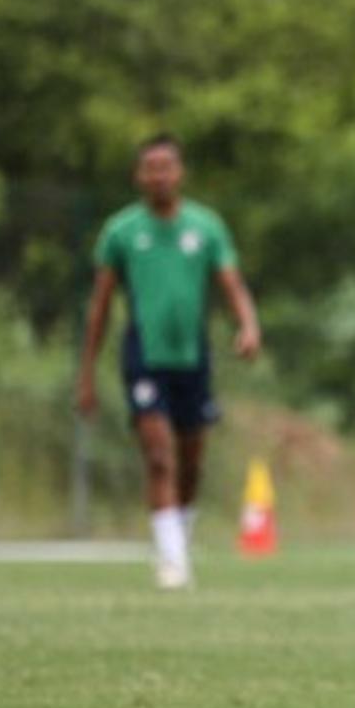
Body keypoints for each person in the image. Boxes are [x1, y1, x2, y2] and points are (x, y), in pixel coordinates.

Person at [77, 134, 260, 590]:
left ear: (180, 173)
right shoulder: (121, 231)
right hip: (144, 356)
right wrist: (86, 374)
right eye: (149, 168)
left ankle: (176, 539)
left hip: (191, 357)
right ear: (139, 175)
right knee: (159, 456)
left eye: (166, 167)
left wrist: (248, 325)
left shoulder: (206, 227)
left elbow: (231, 283)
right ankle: (173, 561)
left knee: (191, 461)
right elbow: (98, 308)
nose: (158, 175)